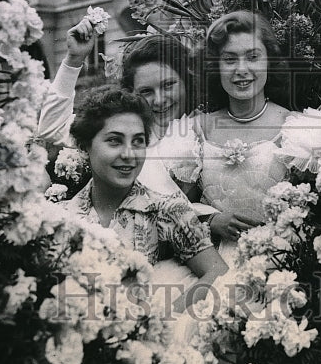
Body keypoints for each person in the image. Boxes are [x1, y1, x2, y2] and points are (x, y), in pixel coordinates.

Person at [171, 10, 321, 262]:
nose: (241, 69)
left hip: (282, 262)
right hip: (212, 262)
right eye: (229, 59)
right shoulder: (196, 130)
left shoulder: (295, 127)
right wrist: (209, 218)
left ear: (268, 60)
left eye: (253, 57)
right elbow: (169, 205)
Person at [60, 85, 227, 312]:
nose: (129, 154)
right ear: (86, 145)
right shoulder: (62, 216)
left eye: (138, 141)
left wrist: (165, 315)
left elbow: (218, 271)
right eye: (114, 141)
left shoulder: (167, 209)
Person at [35, 16, 205, 203]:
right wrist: (73, 60)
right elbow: (51, 128)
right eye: (146, 91)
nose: (159, 100)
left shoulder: (206, 127)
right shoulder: (119, 128)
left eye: (168, 85)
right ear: (132, 92)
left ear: (185, 81)